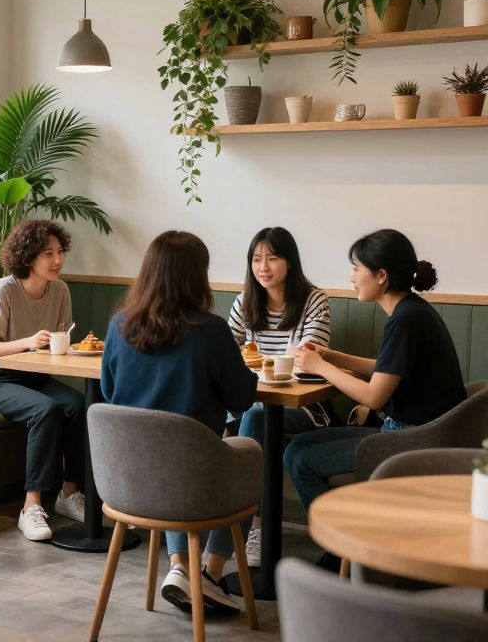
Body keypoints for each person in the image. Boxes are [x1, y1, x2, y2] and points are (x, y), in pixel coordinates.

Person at [100, 231, 257, 616]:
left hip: (128, 483)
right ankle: (210, 574)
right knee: (248, 454)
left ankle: (179, 568)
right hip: (191, 483)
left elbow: (108, 391)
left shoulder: (120, 326)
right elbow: (242, 399)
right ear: (197, 277)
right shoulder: (211, 331)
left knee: (170, 455)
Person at [285, 229, 465, 529]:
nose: (352, 278)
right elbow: (386, 368)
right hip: (418, 432)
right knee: (296, 449)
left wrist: (320, 366)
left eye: (357, 269)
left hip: (412, 440)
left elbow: (374, 397)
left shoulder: (405, 320)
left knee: (300, 460)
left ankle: (343, 547)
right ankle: (346, 544)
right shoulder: (411, 310)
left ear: (381, 275)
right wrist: (333, 357)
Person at [0, 219, 85, 542]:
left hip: (35, 377)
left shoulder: (60, 290)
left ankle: (68, 494)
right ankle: (31, 506)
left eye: (60, 251)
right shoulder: (3, 290)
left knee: (77, 404)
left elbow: (60, 339)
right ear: (27, 256)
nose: (58, 260)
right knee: (46, 410)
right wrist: (27, 341)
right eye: (48, 253)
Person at [227, 226, 332, 566]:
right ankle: (212, 521)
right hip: (248, 404)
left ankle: (254, 525)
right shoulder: (245, 301)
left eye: (272, 258)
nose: (263, 267)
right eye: (256, 259)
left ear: (290, 262)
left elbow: (308, 357)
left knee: (255, 417)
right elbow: (226, 355)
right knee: (229, 415)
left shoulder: (314, 299)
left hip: (304, 407)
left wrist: (254, 365)